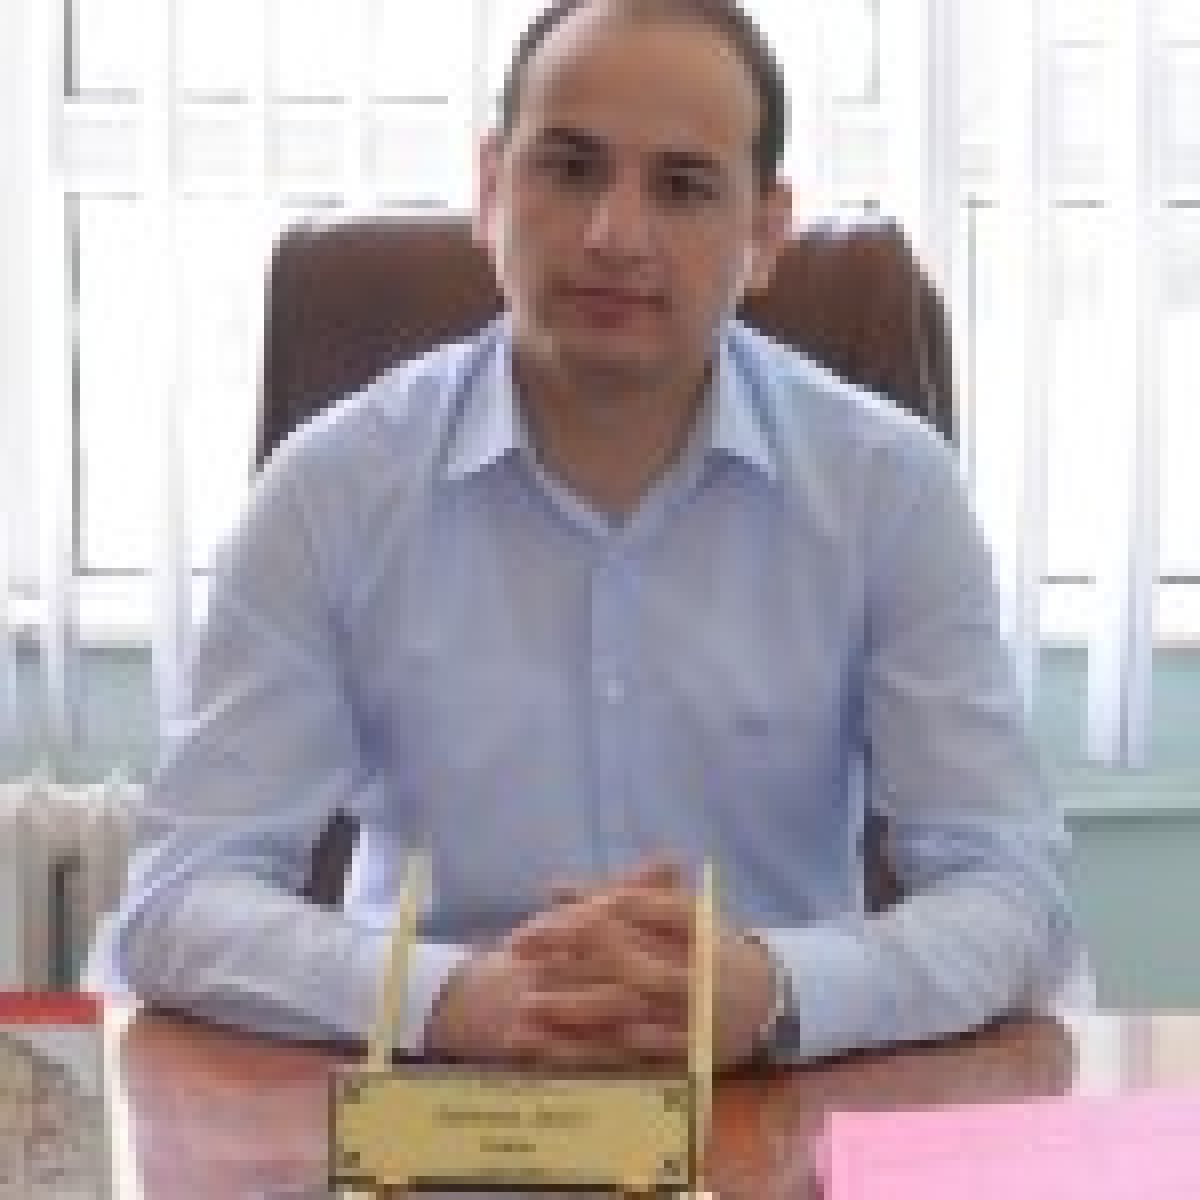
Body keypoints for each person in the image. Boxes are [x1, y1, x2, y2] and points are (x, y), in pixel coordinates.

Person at [95, 0, 1079, 1069]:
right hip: (439, 1098)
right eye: (570, 169)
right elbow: (178, 899)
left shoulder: (888, 487)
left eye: (683, 186)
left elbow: (1014, 897)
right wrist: (449, 995)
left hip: (768, 1096)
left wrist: (777, 987)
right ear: (490, 189)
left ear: (764, 233)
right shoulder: (332, 487)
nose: (615, 235)